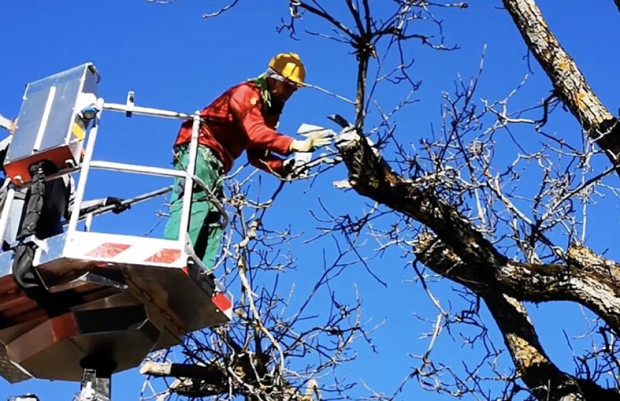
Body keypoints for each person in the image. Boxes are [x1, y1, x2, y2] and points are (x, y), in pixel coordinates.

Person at [164, 53, 331, 268]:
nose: (291, 92)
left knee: (213, 217)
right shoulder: (246, 93)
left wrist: (284, 167)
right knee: (196, 203)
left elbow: (256, 154)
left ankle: (201, 270)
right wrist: (295, 145)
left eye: (294, 88)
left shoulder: (269, 109)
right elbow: (255, 133)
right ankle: (173, 258)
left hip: (218, 161)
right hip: (200, 146)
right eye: (288, 86)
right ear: (274, 79)